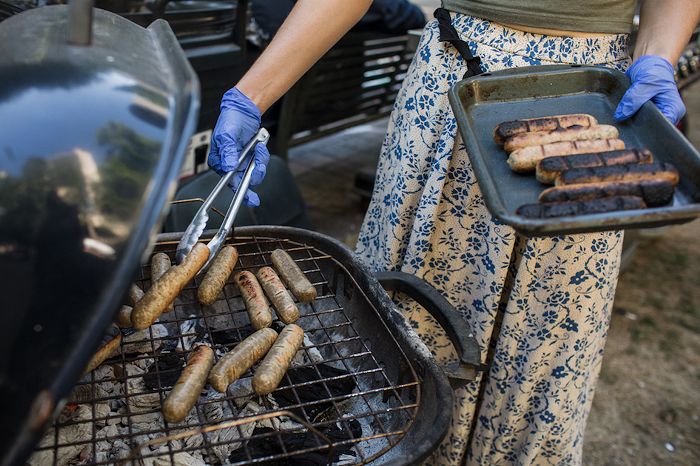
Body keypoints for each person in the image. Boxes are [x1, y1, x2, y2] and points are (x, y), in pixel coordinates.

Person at [206, 0, 700, 464]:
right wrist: (251, 96)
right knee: (403, 319)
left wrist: (659, 56)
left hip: (590, 100)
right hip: (453, 89)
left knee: (538, 338)